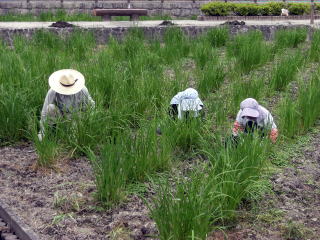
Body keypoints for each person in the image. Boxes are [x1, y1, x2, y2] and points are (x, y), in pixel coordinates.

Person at [38, 69, 95, 140]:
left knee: (73, 139)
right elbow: (44, 112)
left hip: (76, 116)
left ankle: (72, 133)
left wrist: (86, 122)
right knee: (50, 107)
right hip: (61, 115)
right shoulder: (52, 91)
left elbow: (90, 107)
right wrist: (42, 131)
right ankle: (51, 132)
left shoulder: (83, 90)